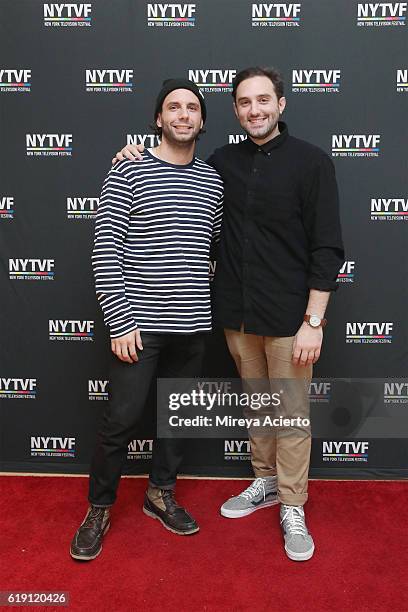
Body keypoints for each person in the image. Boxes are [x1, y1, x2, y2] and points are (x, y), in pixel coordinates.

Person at [112, 66, 345, 562]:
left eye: (264, 100)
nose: (255, 109)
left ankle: (294, 503)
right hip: (237, 318)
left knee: (291, 414)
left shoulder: (313, 163)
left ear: (281, 105)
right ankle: (263, 482)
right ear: (235, 110)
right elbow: (170, 167)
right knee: (259, 406)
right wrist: (131, 152)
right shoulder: (220, 163)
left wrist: (314, 320)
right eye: (244, 102)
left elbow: (328, 249)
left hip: (290, 320)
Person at [70, 79, 223, 561]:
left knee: (176, 418)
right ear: (158, 118)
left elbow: (212, 245)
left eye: (192, 108)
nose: (183, 114)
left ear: (202, 120)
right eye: (173, 107)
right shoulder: (128, 171)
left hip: (192, 325)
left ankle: (161, 493)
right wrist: (119, 321)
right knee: (120, 421)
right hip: (139, 325)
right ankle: (99, 507)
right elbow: (105, 249)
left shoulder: (213, 181)